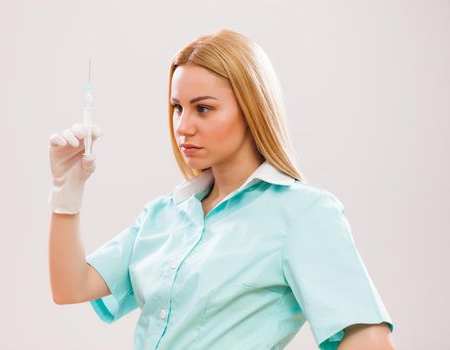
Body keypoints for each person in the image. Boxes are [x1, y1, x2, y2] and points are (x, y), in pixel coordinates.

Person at [48, 29, 395, 350]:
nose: (183, 126)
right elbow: (70, 287)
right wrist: (65, 191)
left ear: (252, 107)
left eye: (203, 108)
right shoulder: (164, 214)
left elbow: (369, 339)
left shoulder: (303, 213)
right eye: (177, 108)